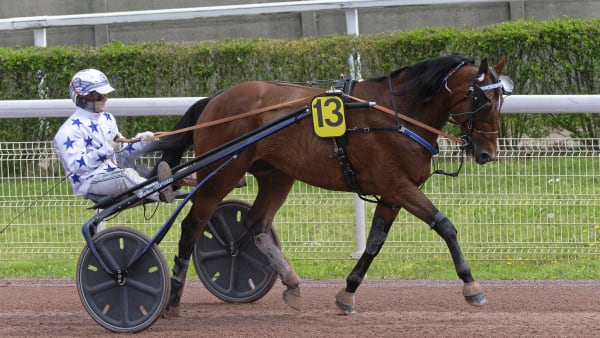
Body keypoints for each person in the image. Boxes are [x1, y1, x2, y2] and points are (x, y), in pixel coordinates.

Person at [53, 68, 175, 203]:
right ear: (83, 98)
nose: (105, 99)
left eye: (105, 95)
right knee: (126, 176)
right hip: (90, 181)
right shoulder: (68, 131)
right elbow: (77, 167)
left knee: (169, 168)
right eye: (99, 95)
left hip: (115, 171)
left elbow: (122, 154)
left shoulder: (107, 118)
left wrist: (144, 142)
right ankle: (159, 193)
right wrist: (107, 149)